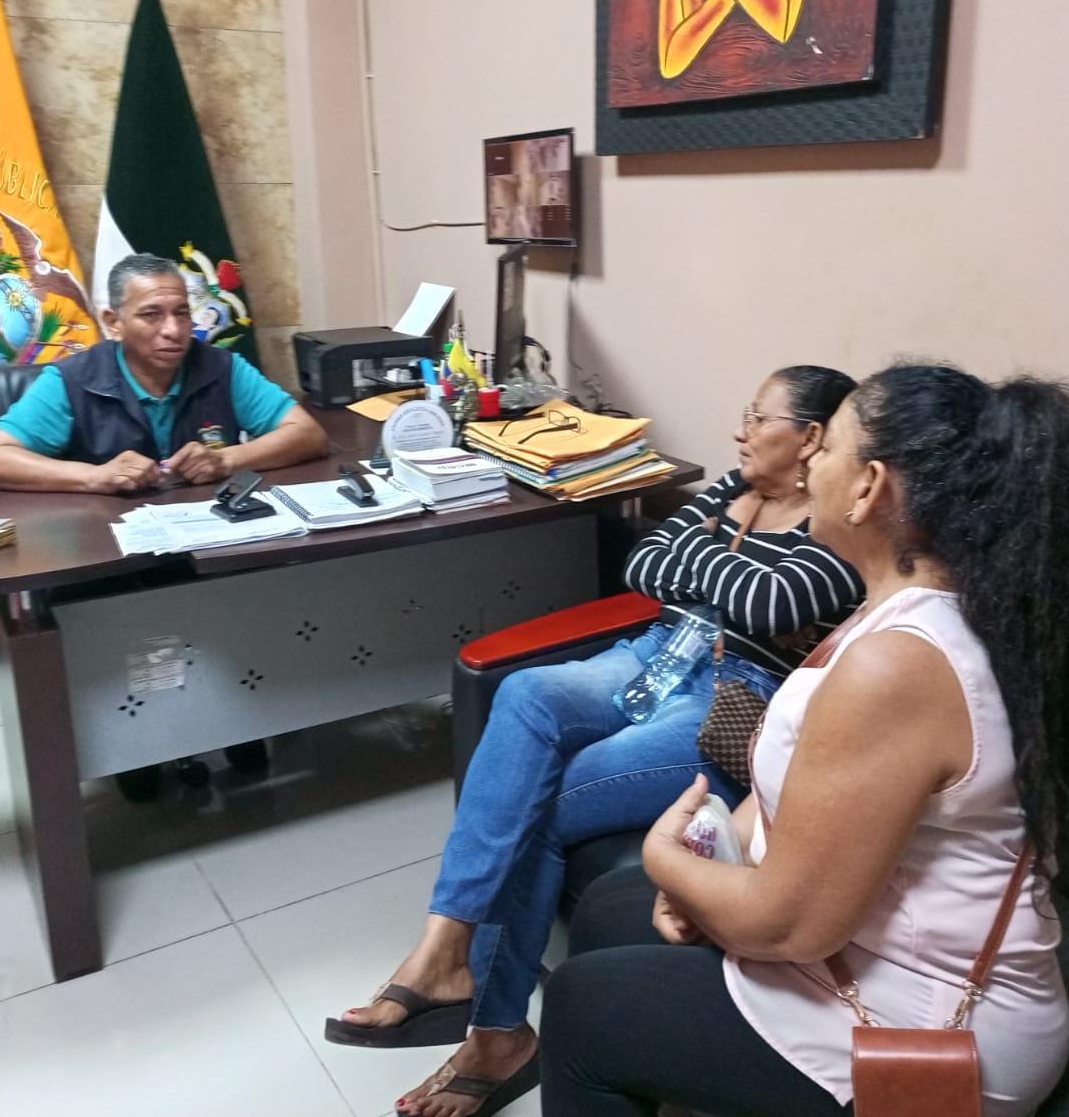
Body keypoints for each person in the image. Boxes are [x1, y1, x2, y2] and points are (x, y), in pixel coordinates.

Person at [539, 363, 1069, 1116]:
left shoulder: (900, 663)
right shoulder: (897, 611)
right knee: (610, 906)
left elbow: (786, 925)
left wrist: (669, 857)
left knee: (582, 1009)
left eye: (827, 450)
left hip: (931, 1026)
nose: (810, 466)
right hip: (857, 952)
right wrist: (705, 861)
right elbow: (797, 795)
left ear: (869, 487)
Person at [324, 366, 864, 1117]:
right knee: (524, 693)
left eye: (758, 416)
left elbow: (768, 604)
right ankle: (442, 947)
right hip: (655, 652)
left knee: (541, 799)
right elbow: (644, 564)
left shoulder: (837, 521)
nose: (739, 431)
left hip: (731, 697)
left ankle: (495, 1032)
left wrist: (701, 563)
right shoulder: (732, 486)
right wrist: (717, 571)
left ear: (809, 437)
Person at [0, 252, 327, 493]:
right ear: (114, 323)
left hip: (211, 543)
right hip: (106, 552)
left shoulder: (219, 366)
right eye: (151, 315)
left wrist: (226, 459)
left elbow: (308, 434)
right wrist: (95, 476)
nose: (173, 330)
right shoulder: (72, 380)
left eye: (182, 313)